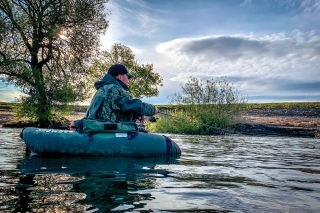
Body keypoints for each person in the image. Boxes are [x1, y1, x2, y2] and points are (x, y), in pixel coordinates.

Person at [85, 64, 160, 123]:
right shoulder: (114, 89)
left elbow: (113, 109)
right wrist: (153, 109)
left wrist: (134, 115)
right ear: (120, 76)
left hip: (97, 130)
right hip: (107, 133)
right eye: (128, 77)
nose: (128, 81)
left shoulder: (103, 89)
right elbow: (131, 105)